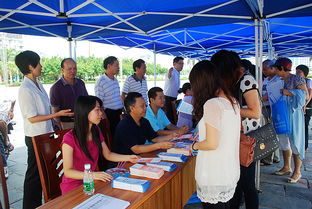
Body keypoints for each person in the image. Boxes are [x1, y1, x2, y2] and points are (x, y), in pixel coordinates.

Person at [15, 50, 73, 209]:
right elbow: (32, 118)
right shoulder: (25, 89)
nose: (41, 66)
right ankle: (30, 205)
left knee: (47, 171)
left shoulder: (38, 83)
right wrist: (56, 114)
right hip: (35, 136)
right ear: (30, 66)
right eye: (38, 63)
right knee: (34, 174)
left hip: (45, 134)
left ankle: (50, 198)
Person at [211, 50, 261, 209]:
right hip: (233, 138)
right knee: (235, 182)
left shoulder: (246, 80)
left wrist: (227, 108)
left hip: (246, 140)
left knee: (247, 184)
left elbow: (255, 112)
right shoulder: (231, 81)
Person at [61, 95, 138, 194]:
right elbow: (68, 171)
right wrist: (93, 175)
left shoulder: (95, 130)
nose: (101, 113)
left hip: (92, 183)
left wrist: (129, 157)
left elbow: (108, 155)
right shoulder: (69, 138)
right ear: (85, 112)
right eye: (97, 110)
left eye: (101, 109)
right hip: (74, 188)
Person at [190, 60, 240, 209]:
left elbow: (212, 143)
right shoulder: (232, 102)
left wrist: (194, 145)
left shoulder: (212, 104)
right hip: (228, 170)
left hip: (213, 173)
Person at [273, 58, 308, 183]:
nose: (274, 70)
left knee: (295, 142)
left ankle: (297, 171)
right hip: (282, 114)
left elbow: (305, 95)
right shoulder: (278, 80)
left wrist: (289, 92)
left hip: (293, 115)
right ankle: (287, 166)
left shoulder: (297, 78)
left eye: (276, 68)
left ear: (281, 68)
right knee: (283, 141)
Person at [50, 58, 88, 130]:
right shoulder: (56, 88)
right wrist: (59, 127)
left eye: (75, 68)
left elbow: (86, 101)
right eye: (69, 69)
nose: (73, 71)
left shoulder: (81, 83)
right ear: (62, 70)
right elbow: (55, 111)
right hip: (66, 124)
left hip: (83, 121)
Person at [95, 56, 123, 137]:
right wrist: (104, 118)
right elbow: (99, 102)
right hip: (108, 114)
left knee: (119, 136)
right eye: (116, 65)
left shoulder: (115, 80)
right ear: (108, 66)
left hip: (118, 113)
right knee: (111, 137)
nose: (118, 68)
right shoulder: (101, 82)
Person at [261, 59, 280, 165]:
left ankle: (268, 158)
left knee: (268, 133)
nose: (263, 71)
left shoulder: (277, 80)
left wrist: (259, 100)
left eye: (265, 69)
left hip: (270, 108)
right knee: (271, 133)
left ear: (272, 68)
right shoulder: (267, 79)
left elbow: (269, 94)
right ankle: (275, 157)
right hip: (265, 107)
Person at [296, 64, 312, 152]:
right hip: (299, 107)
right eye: (296, 71)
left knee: (304, 127)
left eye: (299, 72)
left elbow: (309, 95)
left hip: (307, 107)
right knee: (298, 127)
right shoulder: (296, 81)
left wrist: (305, 105)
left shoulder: (308, 81)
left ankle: (304, 146)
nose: (297, 73)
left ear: (305, 73)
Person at [164, 56, 184, 123]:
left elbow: (175, 86)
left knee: (173, 116)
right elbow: (169, 76)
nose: (182, 65)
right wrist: (169, 73)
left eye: (182, 64)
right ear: (174, 64)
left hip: (174, 97)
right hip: (168, 97)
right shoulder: (172, 71)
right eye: (180, 63)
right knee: (170, 117)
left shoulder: (178, 73)